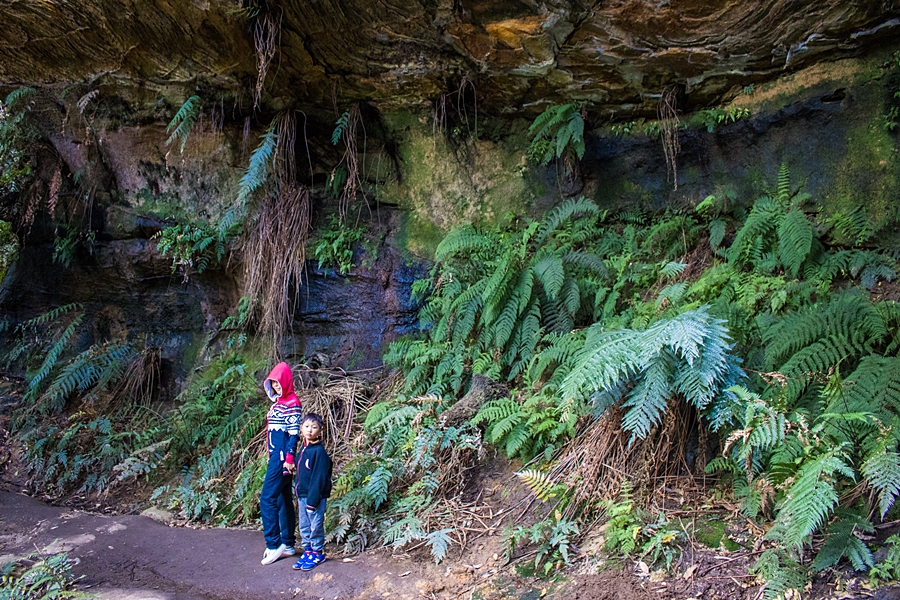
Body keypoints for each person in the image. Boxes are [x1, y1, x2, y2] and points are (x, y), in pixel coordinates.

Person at [260, 362, 302, 565]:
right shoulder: (278, 403)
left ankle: (274, 544)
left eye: (279, 383)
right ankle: (287, 543)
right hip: (276, 457)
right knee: (283, 498)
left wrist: (289, 459)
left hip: (282, 459)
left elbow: (293, 434)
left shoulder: (292, 403)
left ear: (286, 382)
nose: (277, 387)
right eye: (273, 383)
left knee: (267, 498)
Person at [291, 413, 333, 571]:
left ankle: (317, 552)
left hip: (314, 497)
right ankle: (307, 551)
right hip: (302, 495)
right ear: (301, 428)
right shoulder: (304, 449)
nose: (309, 430)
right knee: (304, 526)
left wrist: (313, 500)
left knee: (315, 525)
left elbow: (319, 478)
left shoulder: (319, 452)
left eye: (314, 427)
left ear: (320, 431)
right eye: (306, 426)